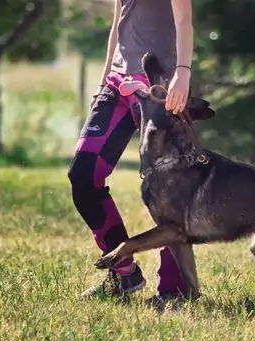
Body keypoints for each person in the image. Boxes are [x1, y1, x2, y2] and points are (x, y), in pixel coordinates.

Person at [68, 0, 195, 304]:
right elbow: (118, 24)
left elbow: (184, 21)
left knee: (170, 187)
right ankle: (124, 272)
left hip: (158, 84)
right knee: (83, 175)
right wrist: (102, 84)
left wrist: (183, 73)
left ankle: (175, 290)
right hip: (117, 82)